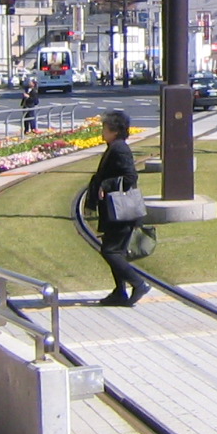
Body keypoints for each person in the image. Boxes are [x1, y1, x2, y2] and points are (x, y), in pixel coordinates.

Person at [87, 110, 147, 307]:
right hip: (113, 211)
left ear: (114, 131)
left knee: (110, 251)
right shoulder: (113, 146)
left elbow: (130, 177)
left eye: (104, 128)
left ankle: (138, 283)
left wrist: (106, 185)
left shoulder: (120, 149)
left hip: (120, 211)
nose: (102, 132)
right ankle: (119, 292)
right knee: (115, 251)